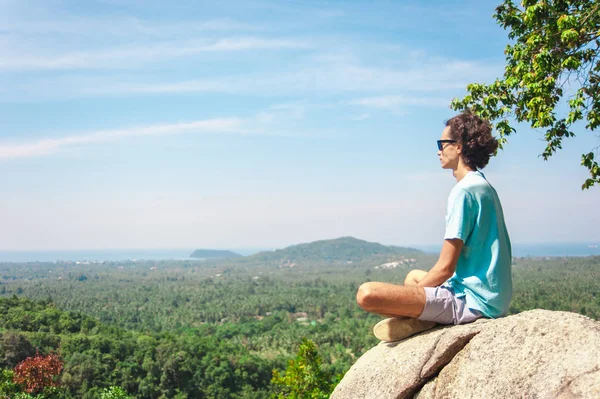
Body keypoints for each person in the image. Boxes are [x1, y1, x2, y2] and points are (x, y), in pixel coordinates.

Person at [356, 111, 512, 342]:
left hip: (473, 302)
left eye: (442, 144)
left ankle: (421, 319)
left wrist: (413, 298)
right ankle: (423, 318)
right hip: (492, 296)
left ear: (458, 147)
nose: (438, 151)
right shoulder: (482, 185)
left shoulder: (464, 191)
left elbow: (445, 269)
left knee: (367, 294)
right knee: (412, 277)